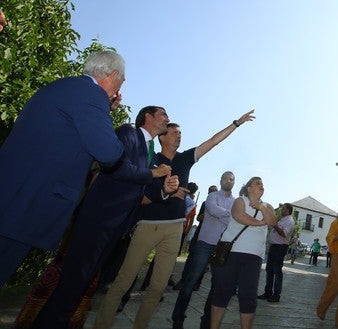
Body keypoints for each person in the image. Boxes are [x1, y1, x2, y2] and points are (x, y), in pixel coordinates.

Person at [93, 112, 255, 329]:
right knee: (123, 281)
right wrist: (167, 191)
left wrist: (236, 123)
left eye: (181, 133)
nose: (179, 136)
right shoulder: (150, 160)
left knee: (158, 288)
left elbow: (213, 142)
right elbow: (138, 198)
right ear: (163, 137)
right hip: (147, 227)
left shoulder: (185, 159)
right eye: (175, 133)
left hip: (174, 228)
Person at [29, 106, 179, 329]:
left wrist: (163, 190)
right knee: (74, 277)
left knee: (84, 280)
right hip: (99, 218)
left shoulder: (149, 150)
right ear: (148, 117)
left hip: (116, 226)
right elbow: (116, 167)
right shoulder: (128, 134)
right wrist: (152, 174)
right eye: (163, 114)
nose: (167, 118)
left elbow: (139, 193)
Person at [0, 50, 126, 287]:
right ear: (111, 75)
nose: (121, 87)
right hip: (28, 203)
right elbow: (110, 153)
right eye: (122, 80)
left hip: (11, 193)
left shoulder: (62, 87)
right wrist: (105, 114)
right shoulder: (93, 95)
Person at [171, 172, 237, 329]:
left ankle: (206, 322)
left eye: (232, 179)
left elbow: (234, 218)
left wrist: (225, 214)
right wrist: (229, 214)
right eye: (226, 178)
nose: (229, 181)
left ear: (234, 182)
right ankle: (178, 318)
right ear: (221, 180)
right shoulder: (212, 196)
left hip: (222, 247)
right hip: (205, 244)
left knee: (216, 286)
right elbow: (213, 211)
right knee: (190, 281)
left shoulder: (236, 202)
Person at [210, 177, 276, 329]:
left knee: (248, 297)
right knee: (222, 293)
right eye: (257, 183)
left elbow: (272, 221)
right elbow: (239, 216)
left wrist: (260, 207)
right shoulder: (240, 200)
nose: (261, 185)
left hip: (254, 257)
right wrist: (261, 222)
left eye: (262, 183)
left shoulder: (267, 206)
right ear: (249, 188)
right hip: (232, 253)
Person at [172, 184, 217, 291]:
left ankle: (197, 283)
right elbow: (198, 217)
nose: (212, 193)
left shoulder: (221, 205)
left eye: (214, 191)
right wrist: (206, 214)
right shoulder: (205, 204)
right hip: (199, 234)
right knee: (191, 257)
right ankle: (183, 281)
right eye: (210, 191)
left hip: (211, 237)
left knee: (204, 261)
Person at [258, 203, 295, 303]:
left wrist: (275, 225)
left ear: (288, 210)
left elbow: (284, 234)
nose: (281, 210)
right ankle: (268, 292)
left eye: (283, 209)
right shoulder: (283, 219)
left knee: (277, 271)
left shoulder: (290, 221)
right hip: (274, 246)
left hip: (280, 247)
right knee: (269, 270)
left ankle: (276, 295)